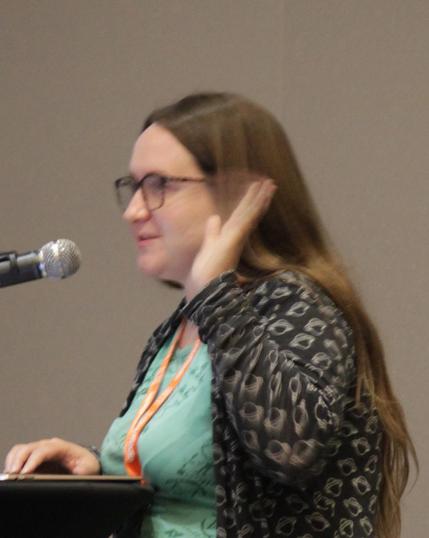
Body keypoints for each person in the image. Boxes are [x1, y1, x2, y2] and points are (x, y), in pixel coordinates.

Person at [4, 92, 417, 538]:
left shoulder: (294, 303)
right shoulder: (186, 322)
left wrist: (214, 294)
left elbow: (293, 449)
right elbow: (200, 475)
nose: (134, 210)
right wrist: (99, 468)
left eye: (160, 185)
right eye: (134, 185)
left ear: (238, 194)